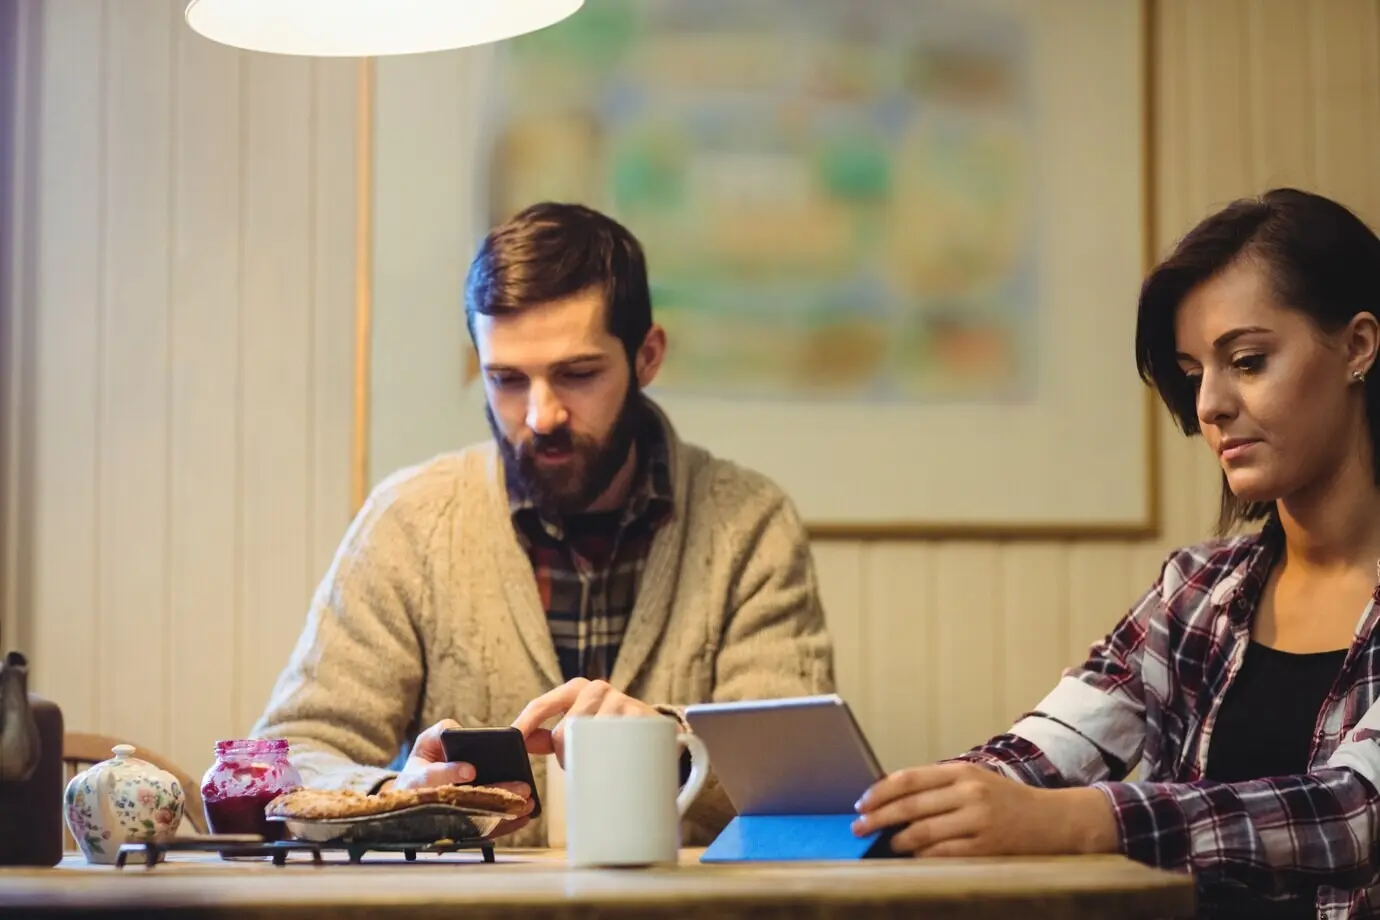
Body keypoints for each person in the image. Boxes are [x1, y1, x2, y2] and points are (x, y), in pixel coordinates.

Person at [853, 188, 1380, 918]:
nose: (1209, 407)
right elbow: (1044, 751)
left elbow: (1353, 811)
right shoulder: (1196, 591)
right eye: (1195, 375)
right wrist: (908, 808)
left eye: (1249, 361)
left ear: (1358, 346)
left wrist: (1082, 821)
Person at [252, 202, 835, 847]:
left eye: (577, 374)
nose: (540, 415)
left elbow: (797, 791)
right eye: (505, 379)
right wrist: (399, 798)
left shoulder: (748, 525)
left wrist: (666, 749)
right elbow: (288, 758)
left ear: (647, 357)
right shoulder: (410, 522)